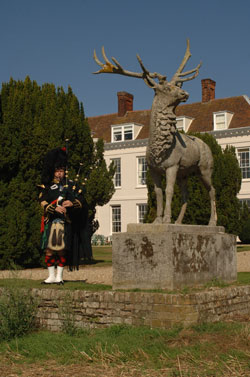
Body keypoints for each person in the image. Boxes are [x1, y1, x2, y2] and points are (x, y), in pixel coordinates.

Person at [38, 147, 92, 284]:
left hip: (65, 223)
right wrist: (53, 208)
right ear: (52, 171)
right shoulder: (47, 186)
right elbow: (42, 201)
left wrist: (72, 203)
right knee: (49, 249)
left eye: (61, 171)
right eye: (57, 171)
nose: (59, 174)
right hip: (51, 221)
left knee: (61, 250)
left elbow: (82, 201)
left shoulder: (71, 185)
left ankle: (59, 277)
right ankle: (51, 276)